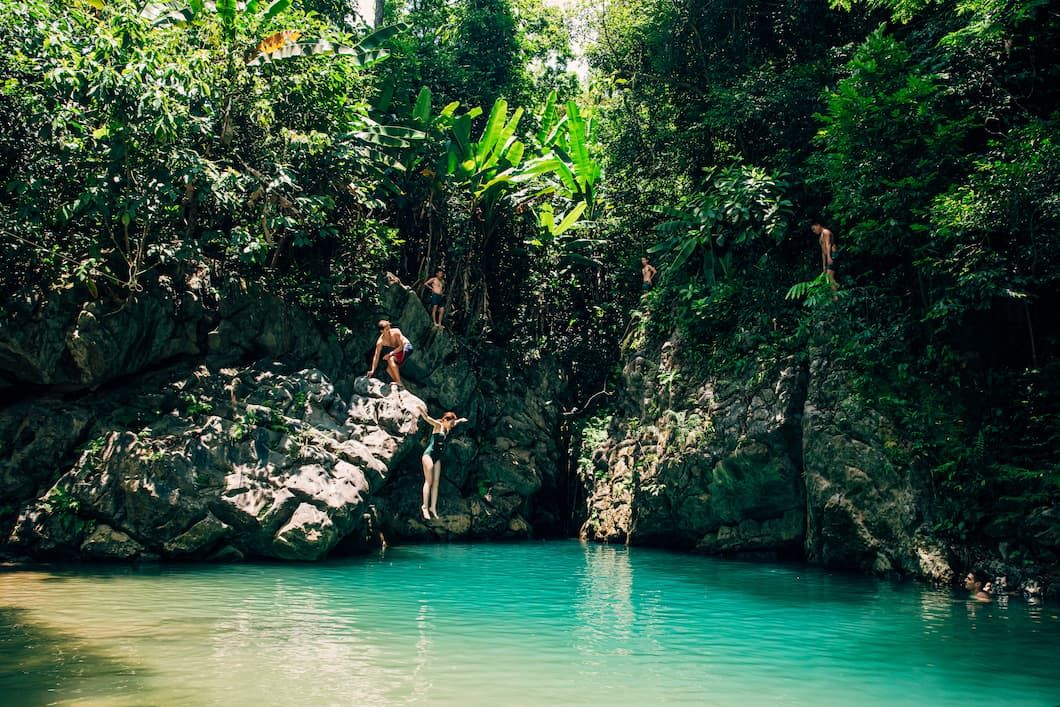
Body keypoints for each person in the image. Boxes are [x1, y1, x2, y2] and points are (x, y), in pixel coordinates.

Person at [416, 406, 469, 520]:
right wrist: (422, 411)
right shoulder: (438, 425)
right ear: (445, 420)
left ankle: (433, 508)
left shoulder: (448, 428)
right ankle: (424, 507)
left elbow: (456, 422)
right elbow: (428, 419)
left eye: (452, 423)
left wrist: (461, 420)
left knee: (436, 483)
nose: (451, 425)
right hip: (428, 456)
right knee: (429, 481)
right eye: (450, 423)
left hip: (437, 458)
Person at [367, 319, 413, 387]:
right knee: (389, 369)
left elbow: (401, 346)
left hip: (407, 347)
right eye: (387, 329)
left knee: (390, 359)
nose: (389, 331)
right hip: (400, 350)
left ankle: (399, 382)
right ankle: (401, 385)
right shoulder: (380, 342)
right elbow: (376, 356)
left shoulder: (396, 332)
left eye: (389, 328)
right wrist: (372, 370)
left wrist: (389, 354)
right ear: (381, 331)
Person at [811, 223, 838, 290]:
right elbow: (823, 252)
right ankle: (835, 296)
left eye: (814, 229)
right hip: (829, 255)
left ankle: (836, 296)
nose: (814, 231)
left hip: (832, 254)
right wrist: (824, 265)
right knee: (828, 277)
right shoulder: (821, 237)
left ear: (818, 225)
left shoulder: (826, 232)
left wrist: (829, 257)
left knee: (829, 277)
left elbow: (828, 244)